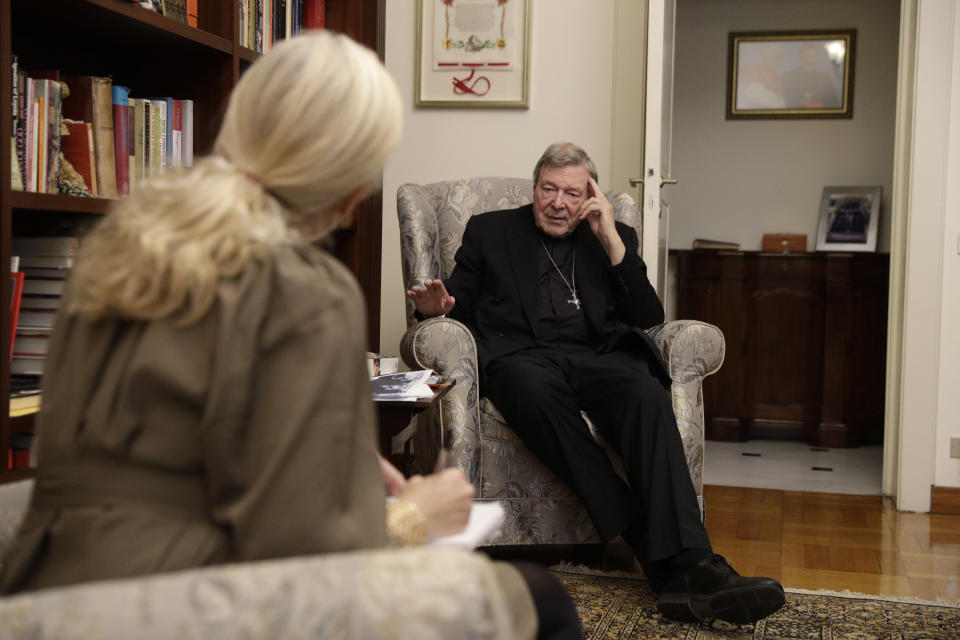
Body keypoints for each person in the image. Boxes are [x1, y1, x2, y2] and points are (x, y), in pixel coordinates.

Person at [0, 33, 582, 640]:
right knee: (541, 602)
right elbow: (311, 563)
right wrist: (418, 516)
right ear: (351, 184)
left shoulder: (111, 251)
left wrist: (341, 468)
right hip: (178, 602)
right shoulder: (302, 287)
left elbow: (192, 446)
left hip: (54, 585)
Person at [406, 142, 787, 625]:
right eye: (548, 189)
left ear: (589, 196)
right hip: (521, 358)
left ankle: (691, 566)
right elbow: (455, 304)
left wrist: (610, 237)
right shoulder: (491, 230)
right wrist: (435, 310)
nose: (558, 203)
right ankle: (671, 555)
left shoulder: (610, 235)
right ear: (535, 187)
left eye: (571, 192)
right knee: (530, 387)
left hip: (595, 357)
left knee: (645, 392)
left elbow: (649, 316)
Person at [782, 42, 840, 109]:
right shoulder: (788, 77)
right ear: (801, 57)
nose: (809, 60)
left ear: (816, 58)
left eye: (812, 57)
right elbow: (785, 103)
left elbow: (834, 104)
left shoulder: (825, 79)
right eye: (806, 56)